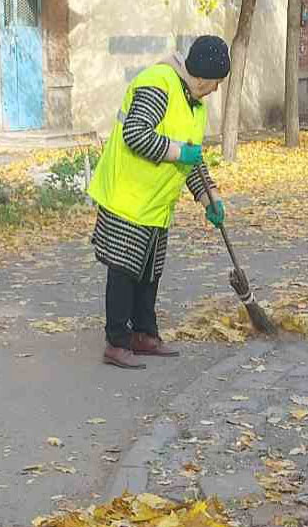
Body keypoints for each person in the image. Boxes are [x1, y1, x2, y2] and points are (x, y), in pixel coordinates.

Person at [87, 35, 230, 369]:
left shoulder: (194, 103)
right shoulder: (158, 84)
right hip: (128, 195)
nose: (216, 90)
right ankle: (116, 341)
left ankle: (144, 333)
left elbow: (192, 157)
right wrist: (181, 152)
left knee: (149, 271)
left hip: (156, 202)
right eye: (216, 83)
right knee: (124, 271)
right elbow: (135, 133)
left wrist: (210, 195)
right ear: (202, 77)